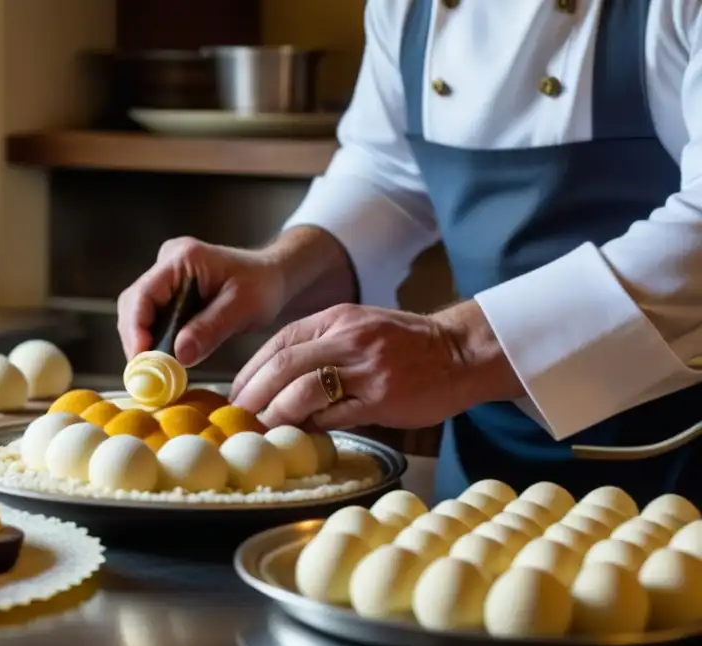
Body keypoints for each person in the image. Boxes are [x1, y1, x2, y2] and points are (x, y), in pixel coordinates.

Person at [117, 0, 702, 504]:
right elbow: (388, 171)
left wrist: (454, 350)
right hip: (484, 459)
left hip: (676, 458)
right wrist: (278, 269)